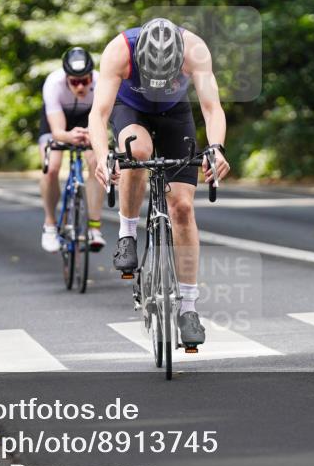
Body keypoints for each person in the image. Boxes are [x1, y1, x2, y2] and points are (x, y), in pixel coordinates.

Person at [89, 18, 231, 349]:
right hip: (130, 109)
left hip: (174, 113)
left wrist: (215, 149)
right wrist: (103, 157)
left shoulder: (195, 50)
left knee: (182, 207)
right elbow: (98, 114)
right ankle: (127, 233)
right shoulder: (119, 50)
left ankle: (189, 308)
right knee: (137, 152)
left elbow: (212, 108)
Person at [39, 47, 106, 253]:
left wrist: (92, 136)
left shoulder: (102, 82)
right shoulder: (53, 83)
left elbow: (102, 120)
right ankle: (50, 225)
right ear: (66, 78)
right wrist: (68, 136)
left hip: (88, 120)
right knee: (51, 168)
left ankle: (94, 228)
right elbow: (57, 131)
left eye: (85, 81)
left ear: (91, 77)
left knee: (97, 163)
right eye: (75, 82)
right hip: (58, 121)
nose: (80, 86)